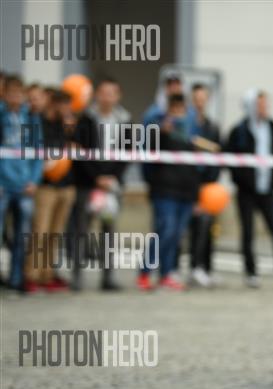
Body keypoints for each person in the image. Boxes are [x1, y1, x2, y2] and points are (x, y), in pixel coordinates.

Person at [225, 89, 273, 288]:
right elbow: (230, 158)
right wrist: (242, 180)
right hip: (246, 191)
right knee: (248, 232)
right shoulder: (239, 130)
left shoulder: (272, 126)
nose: (264, 108)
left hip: (267, 190)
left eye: (265, 104)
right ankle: (251, 272)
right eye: (260, 104)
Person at [138, 93, 203, 291]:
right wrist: (160, 133)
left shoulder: (190, 137)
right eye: (174, 109)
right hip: (164, 191)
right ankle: (145, 272)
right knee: (164, 231)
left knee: (176, 235)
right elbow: (147, 153)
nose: (178, 113)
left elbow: (195, 169)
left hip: (186, 193)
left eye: (181, 109)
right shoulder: (158, 130)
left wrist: (196, 196)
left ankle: (166, 274)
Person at [70, 78, 130, 291]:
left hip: (111, 185)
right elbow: (78, 152)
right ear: (97, 94)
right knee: (81, 229)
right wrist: (96, 177)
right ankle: (76, 276)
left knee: (108, 230)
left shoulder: (124, 121)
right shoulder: (85, 120)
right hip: (88, 184)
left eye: (111, 93)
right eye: (103, 93)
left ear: (118, 96)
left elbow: (127, 153)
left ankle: (108, 277)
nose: (107, 97)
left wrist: (111, 178)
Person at [24, 90, 77, 292]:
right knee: (40, 231)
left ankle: (47, 274)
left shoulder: (66, 125)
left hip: (66, 185)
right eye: (64, 105)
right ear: (54, 104)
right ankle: (32, 275)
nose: (68, 110)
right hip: (45, 186)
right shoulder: (40, 123)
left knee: (55, 234)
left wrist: (70, 132)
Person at [0, 75, 44, 292]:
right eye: (11, 93)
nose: (15, 98)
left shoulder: (31, 118)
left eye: (19, 93)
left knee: (22, 235)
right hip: (3, 184)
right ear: (4, 94)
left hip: (24, 184)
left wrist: (34, 180)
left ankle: (16, 278)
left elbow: (38, 152)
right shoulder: (1, 115)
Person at [188, 83, 221, 287]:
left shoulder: (212, 127)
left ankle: (207, 268)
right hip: (189, 186)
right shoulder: (186, 125)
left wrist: (210, 184)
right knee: (194, 229)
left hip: (208, 187)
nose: (200, 103)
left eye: (203, 99)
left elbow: (218, 157)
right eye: (196, 99)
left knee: (209, 228)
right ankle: (194, 267)